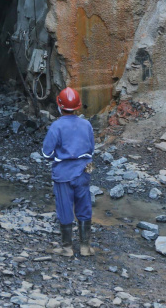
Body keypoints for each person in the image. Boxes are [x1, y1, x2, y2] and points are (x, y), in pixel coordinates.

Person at [42, 87, 95, 256]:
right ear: (78, 106)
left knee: (65, 208)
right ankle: (85, 247)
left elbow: (46, 153)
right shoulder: (86, 124)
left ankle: (67, 248)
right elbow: (91, 149)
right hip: (84, 171)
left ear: (60, 105)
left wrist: (59, 157)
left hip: (63, 174)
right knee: (84, 205)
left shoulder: (56, 126)